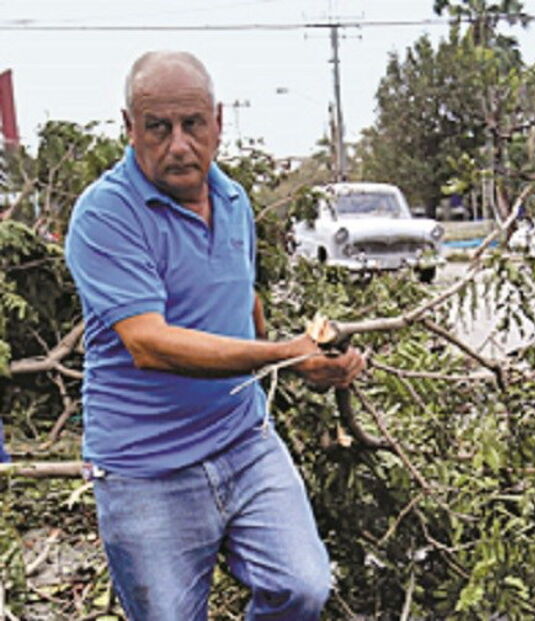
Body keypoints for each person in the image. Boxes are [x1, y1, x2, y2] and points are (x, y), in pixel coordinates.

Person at [64, 51, 365, 620]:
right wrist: (281, 356)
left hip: (243, 443)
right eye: (158, 127)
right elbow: (148, 343)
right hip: (146, 468)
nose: (178, 144)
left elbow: (240, 296)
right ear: (129, 127)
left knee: (302, 587)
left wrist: (311, 358)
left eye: (193, 124)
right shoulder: (106, 215)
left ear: (218, 122)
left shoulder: (232, 199)